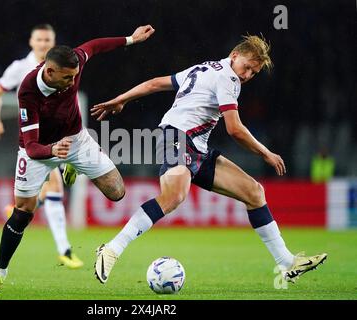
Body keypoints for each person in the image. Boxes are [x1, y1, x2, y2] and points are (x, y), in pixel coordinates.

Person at [91, 34, 327, 284]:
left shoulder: (204, 67)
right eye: (247, 67)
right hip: (177, 136)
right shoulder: (227, 77)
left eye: (254, 73)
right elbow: (234, 129)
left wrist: (121, 99)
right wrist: (266, 152)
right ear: (234, 55)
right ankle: (112, 249)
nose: (247, 75)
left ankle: (287, 262)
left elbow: (155, 84)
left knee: (254, 192)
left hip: (197, 148)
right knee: (174, 196)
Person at [0, 24, 155, 293]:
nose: (73, 82)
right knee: (22, 213)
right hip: (39, 150)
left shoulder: (73, 62)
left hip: (76, 140)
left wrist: (131, 39)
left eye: (75, 76)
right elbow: (31, 146)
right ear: (49, 72)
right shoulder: (28, 90)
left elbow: (94, 45)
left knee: (117, 192)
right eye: (67, 78)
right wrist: (52, 151)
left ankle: (72, 165)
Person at [0, 24, 82, 270]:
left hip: (55, 135)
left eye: (48, 39)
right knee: (54, 185)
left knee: (52, 188)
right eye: (39, 39)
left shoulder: (60, 69)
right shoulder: (20, 68)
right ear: (31, 42)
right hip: (31, 138)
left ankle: (61, 245)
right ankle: (64, 249)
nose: (43, 44)